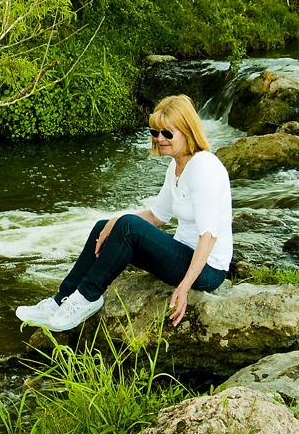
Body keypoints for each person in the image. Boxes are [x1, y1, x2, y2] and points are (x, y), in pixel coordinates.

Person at [16, 94, 233, 332]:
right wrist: (114, 222)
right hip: (183, 251)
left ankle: (87, 298)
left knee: (128, 226)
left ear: (187, 131)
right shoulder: (177, 165)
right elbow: (157, 216)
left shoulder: (204, 167)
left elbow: (209, 236)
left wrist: (183, 287)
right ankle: (61, 300)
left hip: (208, 270)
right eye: (155, 132)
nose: (160, 139)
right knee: (104, 227)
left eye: (168, 133)